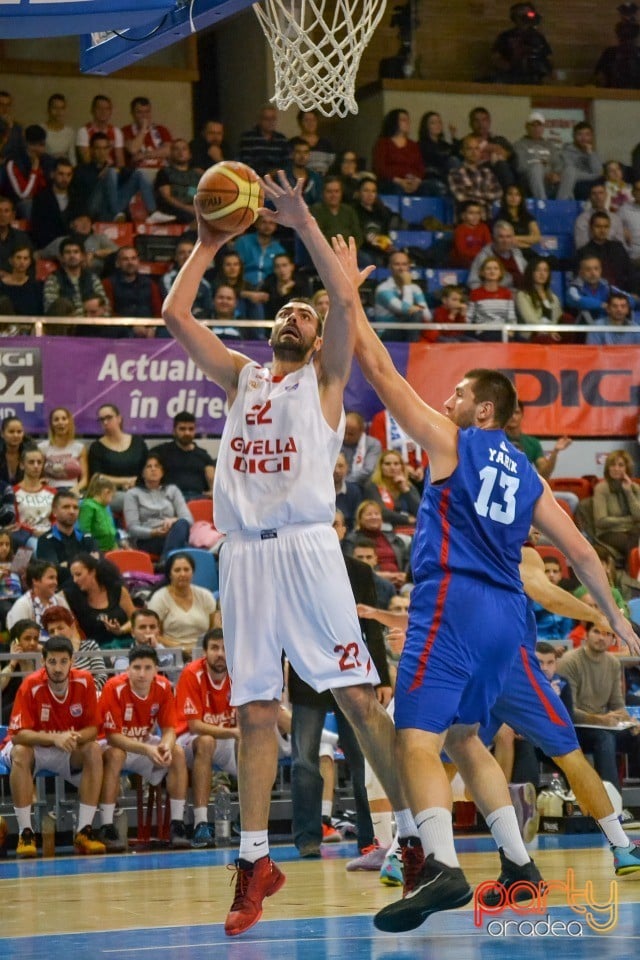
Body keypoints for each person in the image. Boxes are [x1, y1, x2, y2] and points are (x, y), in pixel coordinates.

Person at [330, 232, 638, 931]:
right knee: (467, 736)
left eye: (462, 392)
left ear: (485, 413)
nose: (451, 396)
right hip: (510, 619)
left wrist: (348, 293)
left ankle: (437, 865)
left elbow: (377, 367)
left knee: (414, 734)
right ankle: (521, 863)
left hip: (457, 598)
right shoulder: (530, 476)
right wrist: (613, 615)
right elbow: (585, 552)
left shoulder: (451, 441)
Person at [162, 173, 410, 938]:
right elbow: (173, 313)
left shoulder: (326, 381)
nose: (295, 317)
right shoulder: (242, 378)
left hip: (307, 547)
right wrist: (207, 244)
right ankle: (254, 859)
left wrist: (301, 222)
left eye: (305, 312)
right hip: (243, 556)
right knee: (254, 709)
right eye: (286, 311)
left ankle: (415, 834)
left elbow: (341, 306)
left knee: (358, 698)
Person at [0, 634, 106, 857]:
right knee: (20, 753)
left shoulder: (85, 681)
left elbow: (93, 729)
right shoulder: (31, 685)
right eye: (52, 662)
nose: (58, 668)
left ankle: (84, 830)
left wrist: (71, 737)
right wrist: (54, 738)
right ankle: (25, 833)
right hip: (33, 747)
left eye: (63, 661)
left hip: (66, 748)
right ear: (43, 661)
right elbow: (18, 735)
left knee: (94, 749)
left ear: (72, 661)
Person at [98, 644, 190, 852]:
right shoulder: (114, 687)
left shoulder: (164, 686)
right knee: (116, 755)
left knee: (177, 752)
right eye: (136, 667)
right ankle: (106, 825)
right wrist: (148, 750)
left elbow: (169, 729)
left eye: (147, 668)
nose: (142, 673)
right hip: (110, 743)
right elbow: (113, 737)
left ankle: (177, 825)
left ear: (156, 670)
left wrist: (165, 746)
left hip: (142, 742)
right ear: (128, 669)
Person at [175, 627, 239, 848]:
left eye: (224, 648)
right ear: (204, 652)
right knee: (206, 741)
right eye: (214, 648)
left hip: (225, 739)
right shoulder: (192, 673)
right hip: (187, 741)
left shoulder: (237, 672)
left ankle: (248, 818)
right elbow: (195, 725)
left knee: (258, 750)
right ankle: (201, 823)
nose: (220, 653)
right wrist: (232, 732)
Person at [557, 623, 640, 792]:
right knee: (604, 738)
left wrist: (631, 721)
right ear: (586, 634)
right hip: (574, 728)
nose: (601, 638)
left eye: (607, 634)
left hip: (602, 725)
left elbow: (617, 705)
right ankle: (612, 803)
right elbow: (567, 710)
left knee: (636, 735)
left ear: (612, 638)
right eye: (596, 632)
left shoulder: (613, 663)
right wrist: (599, 719)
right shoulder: (570, 661)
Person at [123, 454, 192, 559]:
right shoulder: (132, 494)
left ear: (163, 471)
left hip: (171, 533)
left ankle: (165, 562)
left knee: (182, 523)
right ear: (142, 472)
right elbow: (132, 528)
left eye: (157, 466)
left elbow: (189, 520)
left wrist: (174, 520)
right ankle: (169, 562)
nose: (153, 469)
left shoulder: (172, 490)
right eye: (149, 466)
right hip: (147, 539)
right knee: (185, 548)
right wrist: (154, 532)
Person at [147, 552, 217, 656]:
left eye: (186, 569)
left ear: (192, 572)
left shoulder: (205, 596)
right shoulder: (159, 599)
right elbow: (155, 635)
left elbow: (214, 629)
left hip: (204, 653)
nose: (182, 574)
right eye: (177, 570)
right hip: (170, 654)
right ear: (170, 574)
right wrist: (182, 650)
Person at [87, 404, 149, 514]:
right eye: (102, 420)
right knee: (130, 499)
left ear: (119, 418)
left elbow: (148, 468)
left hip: (140, 489)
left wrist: (137, 482)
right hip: (111, 493)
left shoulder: (138, 442)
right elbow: (97, 478)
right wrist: (125, 481)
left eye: (109, 417)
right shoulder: (96, 447)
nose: (105, 422)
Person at [64, 554, 134, 651]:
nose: (75, 580)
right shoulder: (71, 596)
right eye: (73, 576)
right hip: (95, 651)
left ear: (92, 572)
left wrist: (120, 630)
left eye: (78, 574)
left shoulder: (117, 590)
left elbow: (135, 619)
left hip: (125, 645)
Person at [35, 491, 99, 586]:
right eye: (66, 507)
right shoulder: (45, 540)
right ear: (54, 511)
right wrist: (86, 564)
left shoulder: (87, 538)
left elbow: (97, 566)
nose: (72, 511)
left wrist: (66, 565)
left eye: (75, 508)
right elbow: (55, 573)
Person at [41, 604, 108, 692]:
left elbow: (101, 677)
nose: (56, 634)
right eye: (51, 631)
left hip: (89, 697)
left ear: (72, 627)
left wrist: (80, 694)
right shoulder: (47, 654)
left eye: (60, 628)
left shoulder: (90, 646)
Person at [505, 399, 572, 481]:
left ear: (522, 415)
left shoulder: (532, 443)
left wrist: (555, 451)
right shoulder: (494, 440)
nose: (513, 416)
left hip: (523, 489)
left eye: (516, 412)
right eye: (509, 413)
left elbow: (544, 475)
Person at [154, 411, 216, 501]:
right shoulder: (161, 452)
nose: (187, 433)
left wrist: (213, 491)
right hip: (170, 499)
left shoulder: (203, 455)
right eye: (182, 429)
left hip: (197, 498)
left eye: (191, 429)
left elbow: (212, 481)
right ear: (174, 431)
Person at [102, 246, 163, 336]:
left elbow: (158, 311)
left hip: (150, 329)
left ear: (138, 261)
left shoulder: (151, 284)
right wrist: (131, 326)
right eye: (125, 259)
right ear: (117, 263)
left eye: (133, 258)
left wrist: (153, 328)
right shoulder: (108, 284)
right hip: (121, 329)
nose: (130, 262)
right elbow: (108, 312)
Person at [373, 249, 431, 341]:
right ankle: (413, 347)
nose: (401, 268)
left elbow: (427, 316)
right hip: (386, 334)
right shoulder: (383, 289)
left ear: (409, 267)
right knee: (415, 314)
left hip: (407, 332)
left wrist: (417, 309)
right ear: (390, 267)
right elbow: (403, 310)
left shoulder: (415, 288)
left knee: (417, 314)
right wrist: (406, 285)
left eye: (404, 264)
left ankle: (413, 348)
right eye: (397, 264)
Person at [593, 449, 640, 559]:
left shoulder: (635, 488)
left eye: (621, 465)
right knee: (633, 544)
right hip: (608, 532)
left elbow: (638, 515)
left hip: (632, 530)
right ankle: (632, 574)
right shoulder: (601, 488)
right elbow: (601, 521)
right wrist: (629, 520)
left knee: (635, 538)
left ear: (627, 469)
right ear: (608, 468)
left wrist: (628, 492)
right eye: (612, 465)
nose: (616, 469)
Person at [42, 237, 107, 318]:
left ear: (83, 256)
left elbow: (104, 305)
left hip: (92, 324)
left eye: (76, 252)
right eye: (68, 252)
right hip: (65, 326)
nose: (72, 255)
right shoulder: (53, 279)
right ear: (61, 257)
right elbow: (51, 308)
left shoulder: (92, 278)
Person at [489, 3, 552, 84]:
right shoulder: (506, 36)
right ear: (515, 17)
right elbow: (496, 57)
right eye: (521, 14)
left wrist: (546, 72)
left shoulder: (538, 37)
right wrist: (508, 68)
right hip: (511, 77)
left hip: (535, 78)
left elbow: (548, 57)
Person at [372, 109, 428, 196]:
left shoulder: (413, 145)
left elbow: (420, 167)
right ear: (394, 122)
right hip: (392, 181)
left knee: (431, 187)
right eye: (403, 120)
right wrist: (399, 181)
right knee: (397, 189)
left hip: (413, 181)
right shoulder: (383, 143)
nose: (408, 122)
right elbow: (380, 167)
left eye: (408, 120)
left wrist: (417, 180)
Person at [448, 134, 503, 221]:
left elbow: (498, 193)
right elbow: (461, 196)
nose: (474, 152)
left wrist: (473, 194)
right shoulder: (455, 173)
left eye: (477, 148)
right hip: (465, 223)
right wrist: (485, 198)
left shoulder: (487, 172)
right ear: (462, 151)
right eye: (470, 149)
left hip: (486, 220)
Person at [576, 211, 635, 291]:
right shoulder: (583, 252)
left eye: (606, 227)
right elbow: (580, 281)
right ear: (591, 228)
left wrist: (634, 293)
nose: (602, 230)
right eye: (598, 226)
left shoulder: (618, 248)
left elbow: (630, 273)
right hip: (596, 295)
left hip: (621, 294)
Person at [6, 558, 70, 631]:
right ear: (35, 581)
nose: (55, 582)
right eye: (51, 578)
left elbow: (72, 629)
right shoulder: (23, 605)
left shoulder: (60, 600)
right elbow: (20, 638)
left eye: (56, 578)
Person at [12, 443, 56, 548]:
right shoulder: (13, 492)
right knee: (36, 547)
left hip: (50, 535)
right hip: (23, 538)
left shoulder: (52, 492)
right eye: (31, 462)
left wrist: (49, 532)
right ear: (22, 465)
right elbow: (14, 522)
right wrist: (32, 531)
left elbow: (56, 519)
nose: (36, 466)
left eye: (39, 462)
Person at [363, 449, 421, 527]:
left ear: (402, 467)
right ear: (381, 467)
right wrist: (407, 519)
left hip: (411, 530)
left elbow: (420, 512)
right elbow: (381, 512)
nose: (392, 467)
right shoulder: (372, 486)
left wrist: (405, 490)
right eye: (387, 464)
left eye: (396, 464)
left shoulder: (409, 486)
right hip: (385, 530)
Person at [38, 407, 88, 495]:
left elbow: (84, 479)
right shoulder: (42, 447)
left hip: (73, 491)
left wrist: (76, 489)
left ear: (69, 422)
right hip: (50, 492)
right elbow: (37, 475)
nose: (60, 422)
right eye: (56, 420)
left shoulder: (79, 447)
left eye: (64, 419)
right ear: (51, 424)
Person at [513, 112, 563, 200]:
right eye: (533, 125)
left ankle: (564, 205)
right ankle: (542, 202)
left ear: (543, 128)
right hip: (529, 181)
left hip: (549, 181)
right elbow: (520, 167)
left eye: (539, 125)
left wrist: (555, 174)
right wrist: (543, 172)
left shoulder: (550, 145)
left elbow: (558, 165)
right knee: (536, 168)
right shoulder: (519, 145)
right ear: (527, 126)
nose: (536, 128)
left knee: (569, 171)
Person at [160, 240, 213, 321]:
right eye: (182, 253)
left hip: (198, 324)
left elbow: (208, 309)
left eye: (190, 252)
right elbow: (173, 305)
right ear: (176, 257)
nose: (186, 256)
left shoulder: (205, 284)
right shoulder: (168, 279)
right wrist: (194, 310)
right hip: (174, 323)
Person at [1, 619, 41, 725]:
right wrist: (13, 663)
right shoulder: (3, 654)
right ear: (16, 640)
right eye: (27, 638)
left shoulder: (37, 657)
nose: (33, 643)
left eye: (36, 639)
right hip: (7, 709)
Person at [515, 256, 565, 341]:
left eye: (545, 270)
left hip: (550, 334)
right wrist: (548, 332)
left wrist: (553, 332)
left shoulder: (553, 297)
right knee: (546, 339)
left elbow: (556, 320)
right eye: (538, 270)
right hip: (532, 334)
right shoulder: (522, 295)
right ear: (531, 272)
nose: (542, 274)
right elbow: (531, 320)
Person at [29, 157, 74, 249]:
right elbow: (38, 230)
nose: (65, 178)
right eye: (61, 174)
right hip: (49, 245)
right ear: (52, 174)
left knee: (96, 242)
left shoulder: (77, 197)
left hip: (73, 245)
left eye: (68, 175)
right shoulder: (41, 198)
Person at [467, 220, 527, 290]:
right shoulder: (483, 256)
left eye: (508, 237)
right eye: (501, 237)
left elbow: (528, 275)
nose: (505, 241)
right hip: (497, 297)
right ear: (494, 238)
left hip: (521, 294)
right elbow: (473, 283)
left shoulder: (517, 253)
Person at [467, 256, 516, 336]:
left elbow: (511, 317)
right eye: (488, 268)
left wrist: (511, 332)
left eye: (496, 268)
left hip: (503, 332)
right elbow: (469, 318)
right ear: (482, 272)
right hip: (483, 333)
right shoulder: (475, 293)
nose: (492, 271)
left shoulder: (507, 293)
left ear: (500, 273)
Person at [123, 96, 172, 175]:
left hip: (161, 172)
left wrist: (143, 155)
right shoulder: (126, 130)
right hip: (138, 173)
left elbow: (169, 150)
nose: (144, 116)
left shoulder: (161, 129)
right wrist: (143, 129)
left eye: (147, 112)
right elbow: (133, 149)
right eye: (140, 112)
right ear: (132, 114)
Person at [154, 139, 199, 225]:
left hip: (195, 208)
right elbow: (167, 197)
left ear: (190, 155)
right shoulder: (164, 173)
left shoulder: (196, 175)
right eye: (176, 149)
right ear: (170, 154)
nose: (180, 152)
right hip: (173, 209)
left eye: (184, 149)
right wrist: (187, 208)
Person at [310, 176, 363, 249]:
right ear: (323, 193)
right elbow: (317, 238)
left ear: (341, 193)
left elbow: (358, 236)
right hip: (326, 253)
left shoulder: (349, 211)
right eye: (329, 192)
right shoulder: (315, 211)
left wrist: (352, 251)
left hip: (350, 252)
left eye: (336, 191)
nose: (333, 195)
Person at [238, 105, 290, 177]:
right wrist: (266, 172)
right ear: (260, 120)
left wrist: (276, 171)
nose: (270, 122)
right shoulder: (248, 138)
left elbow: (287, 163)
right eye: (266, 119)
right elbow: (245, 163)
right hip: (254, 179)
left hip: (277, 180)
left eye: (273, 118)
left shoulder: (281, 139)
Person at [417, 111, 460, 196]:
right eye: (433, 123)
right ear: (426, 126)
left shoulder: (444, 145)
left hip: (447, 177)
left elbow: (457, 154)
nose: (437, 125)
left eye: (439, 122)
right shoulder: (421, 145)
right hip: (432, 176)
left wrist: (454, 137)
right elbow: (436, 159)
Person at [557, 122, 603, 201]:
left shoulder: (592, 153)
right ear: (573, 136)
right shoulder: (565, 152)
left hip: (589, 182)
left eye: (587, 135)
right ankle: (561, 203)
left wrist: (590, 153)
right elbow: (569, 172)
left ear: (591, 136)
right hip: (572, 181)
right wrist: (593, 175)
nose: (584, 138)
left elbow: (599, 172)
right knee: (571, 172)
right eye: (580, 134)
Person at [494, 184, 541, 253]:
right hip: (509, 252)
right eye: (510, 194)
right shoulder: (500, 218)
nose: (513, 197)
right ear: (505, 197)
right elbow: (505, 241)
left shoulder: (527, 216)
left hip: (528, 252)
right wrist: (527, 243)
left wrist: (515, 237)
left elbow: (537, 237)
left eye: (517, 195)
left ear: (521, 198)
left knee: (550, 260)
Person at [77, 474, 118, 552]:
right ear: (106, 492)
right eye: (112, 496)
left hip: (110, 548)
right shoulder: (88, 506)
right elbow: (84, 530)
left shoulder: (104, 507)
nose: (112, 500)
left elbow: (110, 529)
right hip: (96, 550)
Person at [0, 245, 43, 318]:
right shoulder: (1, 285)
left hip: (30, 325)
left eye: (25, 258)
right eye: (18, 258)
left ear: (30, 262)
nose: (22, 262)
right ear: (11, 260)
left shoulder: (36, 286)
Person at [341, 411, 382, 484]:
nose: (346, 437)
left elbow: (368, 470)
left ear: (361, 431)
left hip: (362, 485)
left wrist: (344, 482)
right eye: (344, 432)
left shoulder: (373, 444)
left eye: (351, 434)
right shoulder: (335, 441)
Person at [450, 200, 492, 268]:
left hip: (482, 258)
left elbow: (489, 246)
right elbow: (462, 252)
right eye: (471, 213)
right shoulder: (460, 230)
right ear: (463, 215)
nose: (475, 216)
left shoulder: (484, 227)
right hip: (464, 261)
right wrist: (481, 255)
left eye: (478, 213)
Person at [293, 109, 335, 176]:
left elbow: (332, 166)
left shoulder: (326, 144)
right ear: (300, 122)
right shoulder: (293, 143)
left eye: (313, 120)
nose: (311, 123)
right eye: (307, 120)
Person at [283, 138, 323, 207]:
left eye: (305, 152)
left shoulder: (316, 178)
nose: (302, 156)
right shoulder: (283, 178)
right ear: (291, 154)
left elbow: (319, 202)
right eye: (298, 152)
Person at [43, 93, 75, 165]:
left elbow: (72, 157)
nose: (58, 112)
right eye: (55, 108)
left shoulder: (69, 132)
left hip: (64, 171)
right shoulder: (41, 130)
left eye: (62, 108)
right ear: (48, 109)